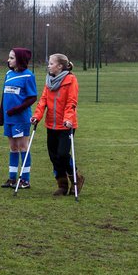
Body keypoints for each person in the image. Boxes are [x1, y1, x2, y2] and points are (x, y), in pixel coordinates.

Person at [32, 53, 83, 197]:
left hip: (66, 125)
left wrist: (68, 119)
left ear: (60, 66)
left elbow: (71, 102)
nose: (48, 66)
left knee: (62, 155)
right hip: (51, 125)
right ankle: (62, 184)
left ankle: (76, 179)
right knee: (54, 156)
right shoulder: (49, 81)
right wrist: (36, 116)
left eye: (51, 63)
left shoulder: (71, 80)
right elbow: (43, 101)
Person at [0, 47, 37, 188]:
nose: (8, 60)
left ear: (20, 59)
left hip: (20, 119)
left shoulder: (28, 76)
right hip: (9, 119)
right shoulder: (8, 74)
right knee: (13, 147)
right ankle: (12, 178)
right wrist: (1, 115)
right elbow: (4, 97)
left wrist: (16, 110)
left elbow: (32, 97)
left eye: (12, 58)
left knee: (22, 147)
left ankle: (25, 180)